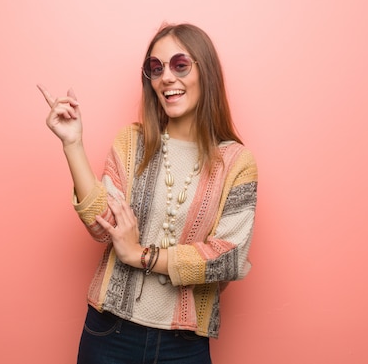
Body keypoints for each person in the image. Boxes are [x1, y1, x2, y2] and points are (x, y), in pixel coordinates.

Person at [38, 23, 258, 364]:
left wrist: (140, 255)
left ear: (206, 70)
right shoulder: (133, 142)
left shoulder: (236, 162)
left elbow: (227, 257)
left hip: (184, 344)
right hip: (110, 332)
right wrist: (73, 144)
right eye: (156, 68)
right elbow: (102, 227)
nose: (166, 77)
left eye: (179, 64)